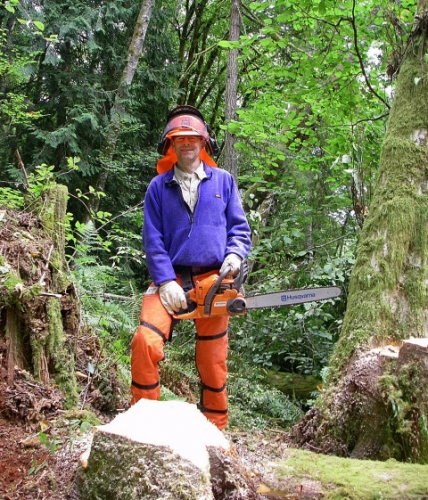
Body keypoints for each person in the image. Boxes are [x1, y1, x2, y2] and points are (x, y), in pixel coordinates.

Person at [130, 105, 252, 430]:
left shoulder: (223, 182)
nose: (187, 144)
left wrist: (235, 255)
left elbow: (239, 229)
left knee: (214, 360)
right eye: (180, 138)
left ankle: (216, 426)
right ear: (171, 143)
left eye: (192, 138)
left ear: (203, 142)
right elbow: (152, 240)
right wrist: (165, 280)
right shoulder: (158, 187)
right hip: (169, 278)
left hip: (213, 277)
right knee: (145, 341)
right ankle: (142, 422)